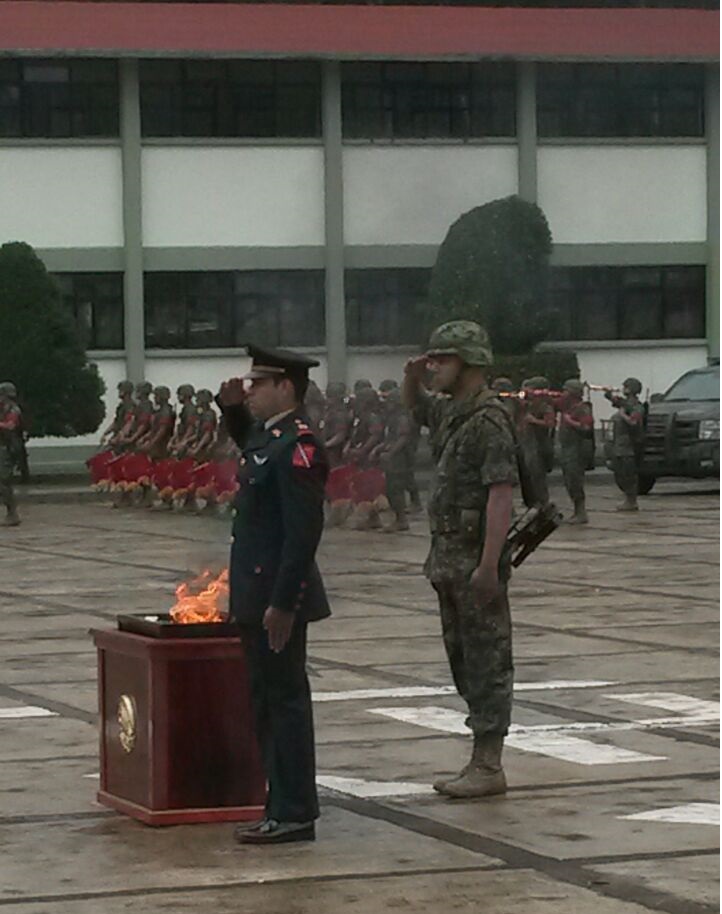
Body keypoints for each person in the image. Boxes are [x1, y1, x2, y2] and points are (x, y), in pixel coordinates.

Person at [217, 344, 330, 845]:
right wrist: (231, 411)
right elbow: (252, 448)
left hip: (275, 601)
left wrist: (283, 603)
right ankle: (278, 805)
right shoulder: (272, 437)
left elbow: (302, 535)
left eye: (258, 384)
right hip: (255, 596)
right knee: (265, 701)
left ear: (286, 386)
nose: (251, 390)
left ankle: (295, 812)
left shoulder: (300, 446)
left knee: (284, 702)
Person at [402, 320, 516, 799]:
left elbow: (500, 495)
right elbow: (419, 409)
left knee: (487, 659)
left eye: (442, 360)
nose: (435, 366)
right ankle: (479, 760)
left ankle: (488, 766)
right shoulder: (454, 411)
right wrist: (412, 377)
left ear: (469, 363)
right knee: (463, 660)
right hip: (448, 560)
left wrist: (489, 566)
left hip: (474, 562)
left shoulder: (489, 419)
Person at [374, 387, 413, 532]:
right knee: (390, 489)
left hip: (399, 459)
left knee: (396, 489)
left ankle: (401, 520)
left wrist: (391, 453)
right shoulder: (392, 416)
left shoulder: (401, 417)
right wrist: (380, 448)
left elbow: (402, 437)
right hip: (391, 457)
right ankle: (398, 519)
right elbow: (389, 437)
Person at [605, 377, 645, 511]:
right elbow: (617, 401)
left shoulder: (637, 407)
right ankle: (628, 499)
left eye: (626, 386)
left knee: (628, 474)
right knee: (620, 473)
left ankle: (631, 501)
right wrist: (608, 394)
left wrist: (623, 415)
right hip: (620, 445)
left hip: (629, 446)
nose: (623, 388)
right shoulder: (626, 404)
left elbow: (634, 422)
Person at [559, 378, 594, 524]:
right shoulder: (569, 408)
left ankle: (581, 512)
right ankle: (576, 511)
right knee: (569, 481)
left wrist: (570, 422)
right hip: (567, 450)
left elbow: (586, 428)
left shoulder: (582, 409)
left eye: (566, 390)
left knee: (575, 481)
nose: (563, 393)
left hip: (577, 450)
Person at [0, 382, 21, 526]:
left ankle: (12, 514)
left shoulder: (13, 409)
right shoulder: (3, 409)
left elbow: (10, 426)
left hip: (7, 448)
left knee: (4, 481)